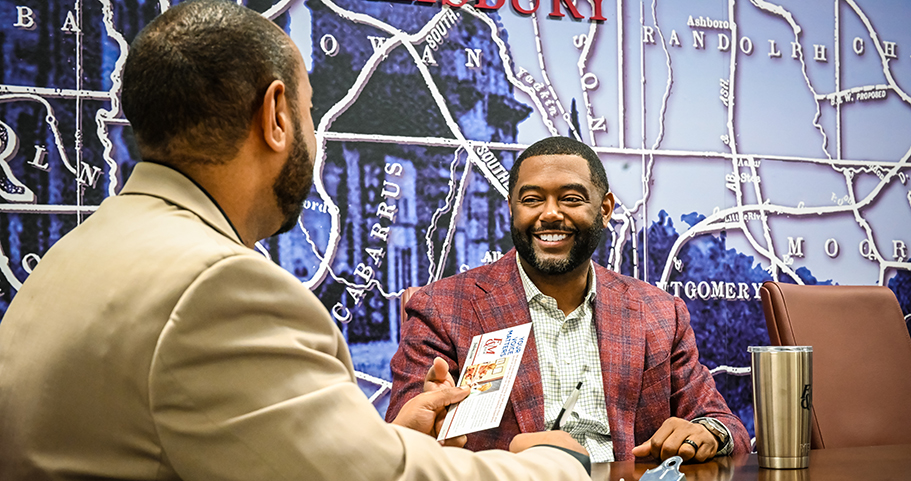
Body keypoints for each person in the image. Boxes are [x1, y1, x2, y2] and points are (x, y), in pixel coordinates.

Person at [0, 2, 591, 480]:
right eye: (311, 114)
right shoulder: (215, 288)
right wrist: (560, 463)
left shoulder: (79, 252)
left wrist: (382, 439)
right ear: (277, 115)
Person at [387, 136, 751, 463]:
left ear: (605, 209)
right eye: (532, 200)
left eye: (570, 199)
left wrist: (708, 433)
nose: (549, 214)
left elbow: (724, 424)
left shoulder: (658, 311)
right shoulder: (444, 308)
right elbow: (399, 439)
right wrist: (426, 431)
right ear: (511, 209)